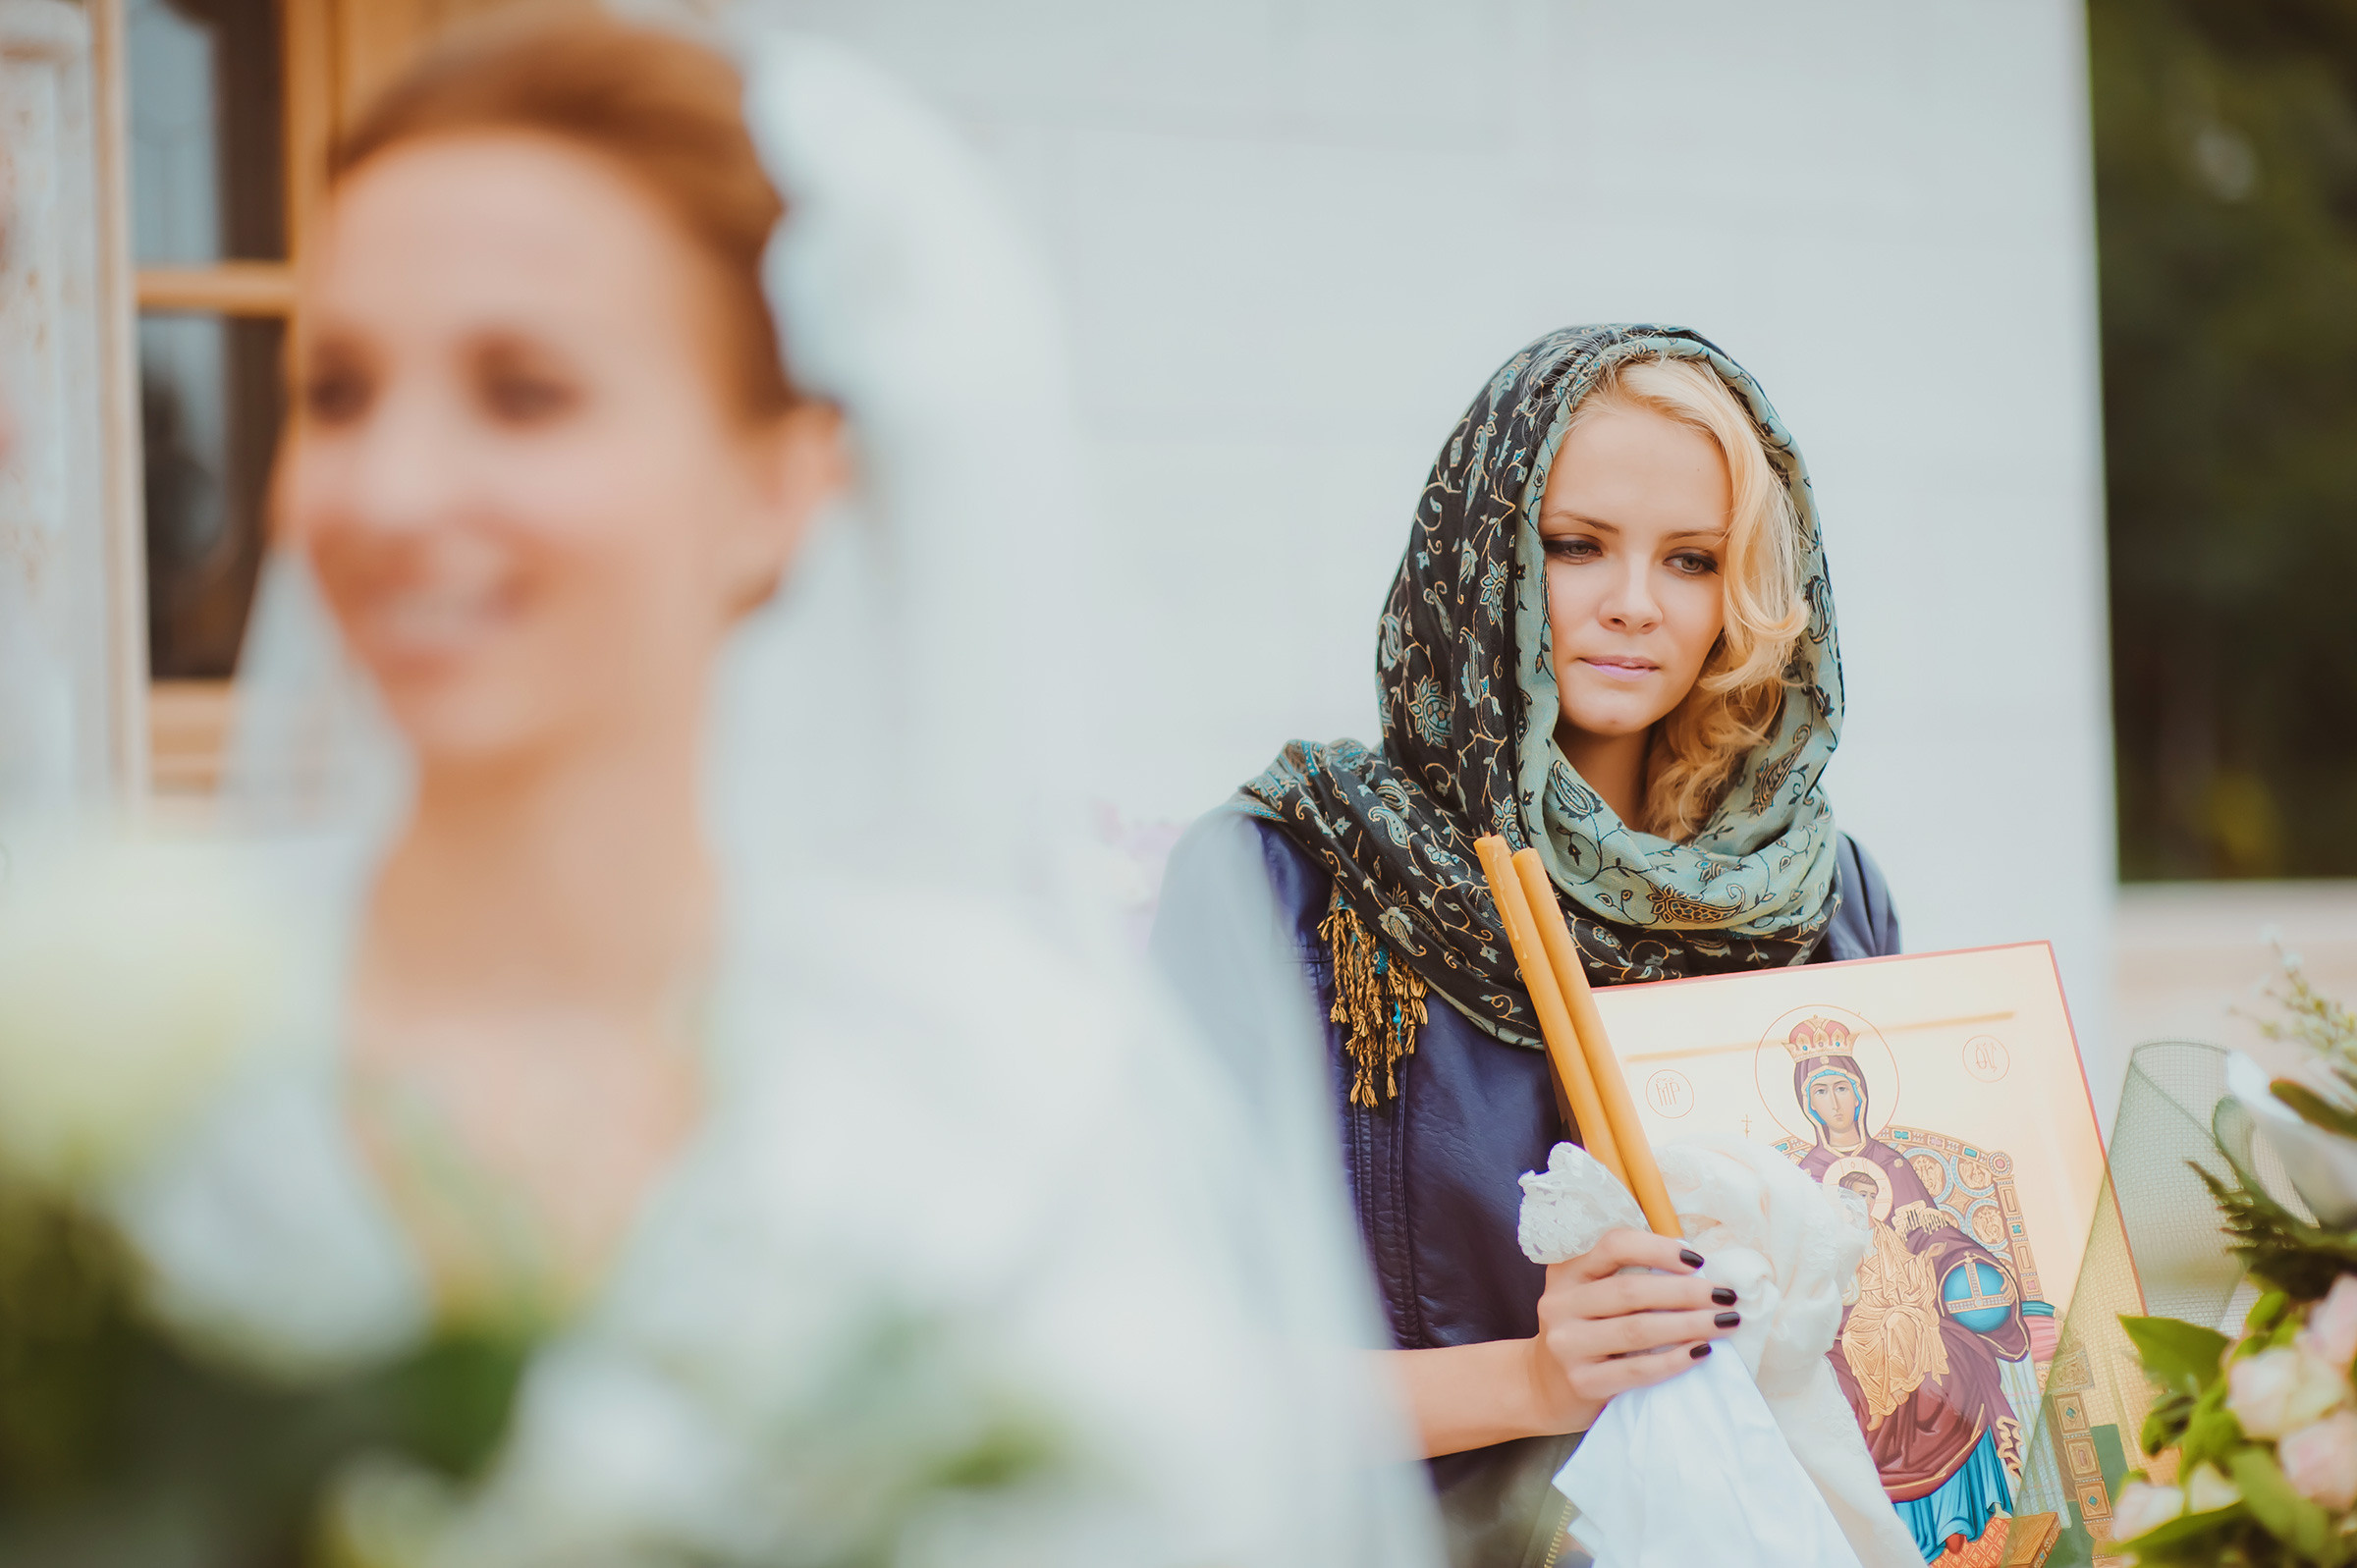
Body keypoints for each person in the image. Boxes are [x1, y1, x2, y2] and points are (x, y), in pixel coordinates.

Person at [89, 14, 1439, 1565]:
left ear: (783, 478)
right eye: (334, 390)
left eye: (522, 391)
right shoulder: (133, 1069)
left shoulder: (998, 1102)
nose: (387, 491)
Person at [1154, 324, 1903, 1568]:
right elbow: (1167, 1363)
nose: (1633, 602)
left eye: (1693, 560)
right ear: (1480, 548)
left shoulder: (1818, 892)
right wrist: (1539, 1381)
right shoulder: (1284, 873)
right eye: (1576, 545)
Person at [1787, 1017, 2030, 1560]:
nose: (1833, 1101)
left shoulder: (1893, 1164)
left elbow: (1936, 1236)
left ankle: (1963, 1524)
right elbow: (1800, 1261)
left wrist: (1954, 1264)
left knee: (1959, 1356)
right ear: (1806, 1103)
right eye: (1820, 1091)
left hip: (1913, 1299)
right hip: (1843, 1317)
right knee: (1849, 1379)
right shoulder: (1802, 1176)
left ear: (1861, 1092)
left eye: (1842, 1087)